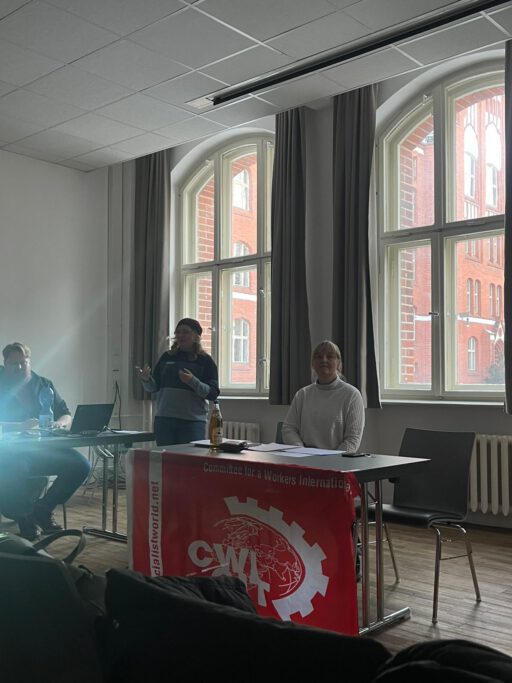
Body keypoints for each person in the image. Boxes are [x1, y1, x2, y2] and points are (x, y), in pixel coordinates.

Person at [0, 342, 91, 540]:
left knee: (81, 465)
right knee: (16, 469)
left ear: (29, 361)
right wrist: (19, 426)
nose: (19, 367)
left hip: (43, 449)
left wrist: (60, 423)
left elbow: (65, 413)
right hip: (9, 453)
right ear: (5, 364)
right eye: (14, 363)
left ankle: (42, 509)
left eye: (23, 362)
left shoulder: (43, 384)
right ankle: (24, 518)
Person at [138, 318, 219, 446]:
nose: (180, 335)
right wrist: (146, 379)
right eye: (178, 332)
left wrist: (192, 381)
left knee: (190, 458)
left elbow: (213, 394)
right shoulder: (167, 357)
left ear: (196, 336)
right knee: (166, 458)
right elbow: (154, 388)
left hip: (192, 423)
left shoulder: (205, 361)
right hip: (164, 421)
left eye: (185, 332)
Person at [282, 340, 365, 453]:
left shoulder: (352, 395)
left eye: (330, 356)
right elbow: (289, 428)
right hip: (304, 458)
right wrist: (300, 451)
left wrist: (332, 459)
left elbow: (352, 439)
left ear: (338, 363)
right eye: (319, 357)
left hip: (337, 461)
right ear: (313, 363)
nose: (324, 360)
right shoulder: (302, 394)